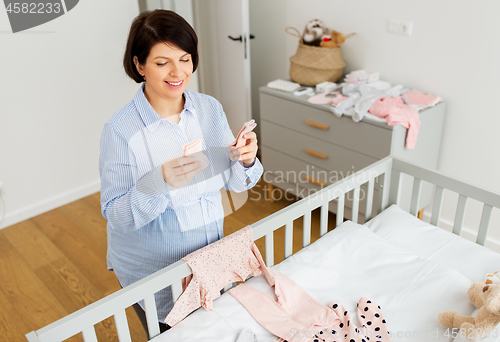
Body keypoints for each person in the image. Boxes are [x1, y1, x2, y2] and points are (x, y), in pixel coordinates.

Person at [98, 9, 263, 338]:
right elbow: (115, 213)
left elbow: (233, 179)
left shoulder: (208, 108)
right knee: (170, 333)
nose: (178, 72)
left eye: (185, 59)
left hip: (210, 255)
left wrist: (246, 160)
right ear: (139, 65)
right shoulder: (120, 130)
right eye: (162, 63)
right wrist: (158, 184)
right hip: (155, 271)